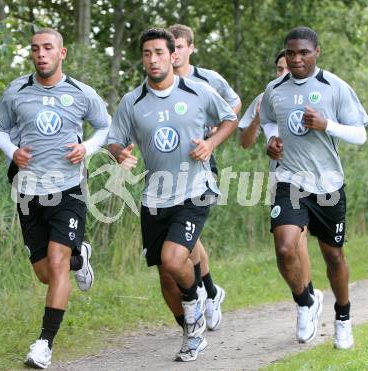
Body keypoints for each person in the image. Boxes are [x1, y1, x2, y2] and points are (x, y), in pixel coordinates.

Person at [107, 28, 238, 362]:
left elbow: (229, 118)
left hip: (195, 189)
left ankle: (195, 299)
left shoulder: (197, 91)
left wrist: (210, 143)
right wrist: (119, 153)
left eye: (159, 53)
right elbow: (114, 138)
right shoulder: (132, 101)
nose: (153, 59)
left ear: (172, 55)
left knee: (173, 258)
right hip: (155, 196)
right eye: (147, 53)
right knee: (166, 277)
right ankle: (190, 331)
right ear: (143, 58)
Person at [0, 28, 111, 369]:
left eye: (48, 48)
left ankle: (44, 343)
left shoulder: (81, 93)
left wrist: (86, 148)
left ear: (62, 53)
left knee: (56, 265)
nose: (41, 54)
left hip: (67, 190)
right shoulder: (17, 91)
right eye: (35, 49)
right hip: (28, 192)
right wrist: (12, 151)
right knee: (46, 273)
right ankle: (79, 257)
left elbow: (105, 126)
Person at [260, 26, 368, 349]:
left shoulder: (334, 87)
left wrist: (327, 125)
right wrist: (271, 141)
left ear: (316, 52)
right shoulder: (275, 88)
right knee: (284, 246)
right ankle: (305, 301)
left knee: (333, 256)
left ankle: (343, 317)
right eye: (290, 53)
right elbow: (267, 119)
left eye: (303, 52)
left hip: (328, 184)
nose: (296, 59)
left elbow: (360, 134)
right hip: (290, 179)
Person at [167, 23, 241, 331]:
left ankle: (203, 291)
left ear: (190, 48)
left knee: (189, 235)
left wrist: (213, 134)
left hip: (201, 165)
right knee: (190, 236)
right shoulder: (159, 82)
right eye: (169, 47)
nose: (174, 53)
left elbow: (234, 104)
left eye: (179, 46)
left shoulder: (208, 79)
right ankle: (210, 291)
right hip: (168, 169)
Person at [239, 50, 314, 303]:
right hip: (281, 179)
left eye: (287, 68)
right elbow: (245, 143)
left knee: (299, 239)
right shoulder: (267, 96)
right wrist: (258, 118)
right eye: (279, 69)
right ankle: (308, 296)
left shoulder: (312, 93)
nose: (283, 73)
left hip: (312, 177)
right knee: (291, 243)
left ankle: (308, 298)